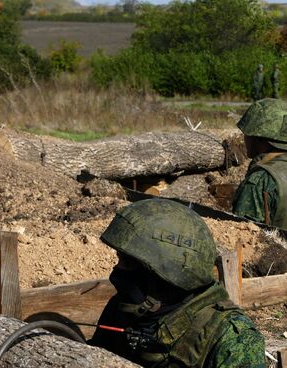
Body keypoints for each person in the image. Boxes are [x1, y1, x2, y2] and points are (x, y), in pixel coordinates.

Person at [90, 199, 265, 368]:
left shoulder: (231, 339)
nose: (116, 273)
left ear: (165, 277)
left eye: (128, 263)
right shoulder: (124, 308)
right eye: (120, 260)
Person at [232, 98, 287, 229]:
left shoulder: (261, 181)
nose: (245, 139)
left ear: (258, 138)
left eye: (247, 134)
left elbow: (243, 239)